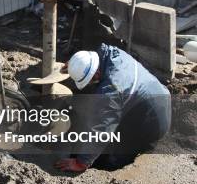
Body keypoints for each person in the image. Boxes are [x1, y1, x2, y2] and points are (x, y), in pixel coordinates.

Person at [55, 43, 171, 172]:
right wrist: (75, 64)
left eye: (90, 80)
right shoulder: (111, 54)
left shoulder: (111, 90)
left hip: (151, 124)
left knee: (109, 161)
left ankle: (121, 158)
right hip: (159, 97)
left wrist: (81, 162)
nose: (90, 83)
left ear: (97, 73)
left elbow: (102, 128)